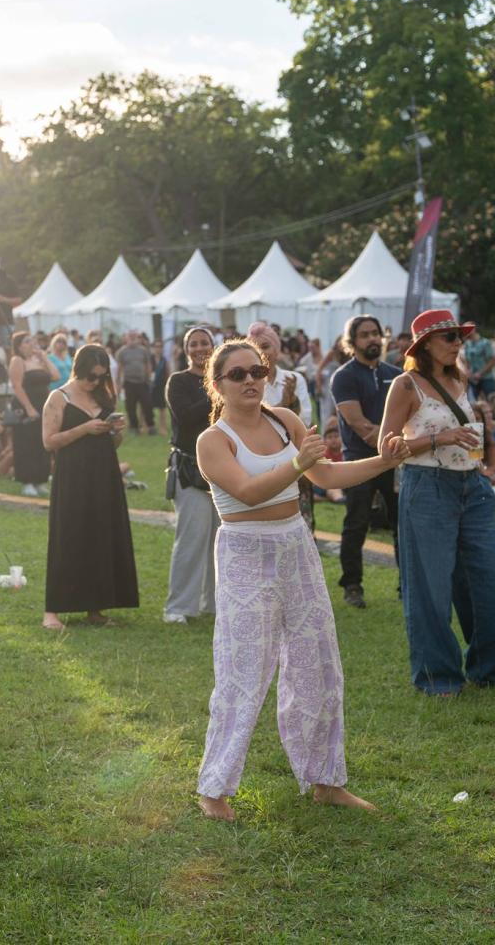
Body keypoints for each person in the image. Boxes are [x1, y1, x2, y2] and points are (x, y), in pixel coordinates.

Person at [195, 339, 407, 821]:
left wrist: (385, 462)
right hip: (246, 552)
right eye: (237, 374)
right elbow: (247, 492)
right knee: (243, 670)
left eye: (257, 370)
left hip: (295, 545)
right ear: (217, 384)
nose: (250, 380)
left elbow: (326, 476)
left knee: (318, 662)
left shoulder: (284, 420)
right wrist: (298, 463)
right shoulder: (213, 440)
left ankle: (326, 781)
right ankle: (214, 789)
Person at [378, 310, 495, 697]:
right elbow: (386, 449)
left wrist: (483, 464)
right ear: (425, 345)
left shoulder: (460, 378)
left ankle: (493, 670)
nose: (458, 343)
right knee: (430, 587)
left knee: (489, 583)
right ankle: (438, 677)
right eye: (450, 337)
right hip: (428, 487)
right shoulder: (405, 385)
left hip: (472, 487)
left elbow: (469, 432)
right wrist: (439, 439)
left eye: (460, 336)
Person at [40, 344, 137, 631]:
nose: (95, 381)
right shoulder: (58, 397)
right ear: (78, 370)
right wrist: (85, 428)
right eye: (90, 376)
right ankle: (52, 610)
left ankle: (96, 607)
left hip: (103, 474)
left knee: (101, 537)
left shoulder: (102, 395)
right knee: (68, 536)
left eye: (101, 376)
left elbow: (112, 444)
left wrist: (114, 432)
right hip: (72, 476)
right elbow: (48, 442)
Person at [329, 314, 402, 609]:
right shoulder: (344, 376)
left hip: (394, 460)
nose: (372, 339)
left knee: (403, 524)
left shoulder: (397, 374)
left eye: (375, 333)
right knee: (357, 523)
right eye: (364, 334)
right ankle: (352, 585)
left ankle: (407, 585)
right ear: (352, 342)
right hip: (359, 460)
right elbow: (360, 426)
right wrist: (396, 440)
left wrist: (396, 444)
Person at [163, 327, 219, 624]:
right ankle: (178, 607)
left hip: (222, 469)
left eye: (204, 343)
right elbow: (185, 417)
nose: (200, 348)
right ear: (186, 350)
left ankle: (213, 603)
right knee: (192, 538)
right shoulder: (178, 381)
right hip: (188, 469)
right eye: (194, 344)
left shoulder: (226, 381)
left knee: (219, 539)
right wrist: (217, 390)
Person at [9, 332, 59, 497]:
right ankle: (27, 481)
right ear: (19, 346)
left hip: (43, 404)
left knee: (41, 442)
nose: (31, 344)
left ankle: (40, 479)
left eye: (32, 341)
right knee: (27, 443)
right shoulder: (18, 361)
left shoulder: (39, 361)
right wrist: (29, 408)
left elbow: (56, 376)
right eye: (27, 342)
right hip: (26, 405)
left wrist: (44, 358)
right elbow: (17, 386)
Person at [114, 331, 155, 435]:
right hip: (129, 383)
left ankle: (151, 426)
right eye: (130, 336)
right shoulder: (121, 352)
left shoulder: (143, 350)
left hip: (142, 382)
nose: (132, 338)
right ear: (126, 338)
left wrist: (149, 378)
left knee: (147, 405)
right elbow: (119, 368)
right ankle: (134, 428)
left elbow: (148, 364)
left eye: (134, 336)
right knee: (130, 407)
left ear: (137, 338)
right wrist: (118, 382)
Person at [463, 326, 495, 402]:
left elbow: (492, 361)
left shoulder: (485, 342)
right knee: (472, 403)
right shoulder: (467, 344)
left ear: (474, 329)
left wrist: (480, 373)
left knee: (493, 401)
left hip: (487, 378)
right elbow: (467, 361)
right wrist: (467, 371)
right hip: (472, 379)